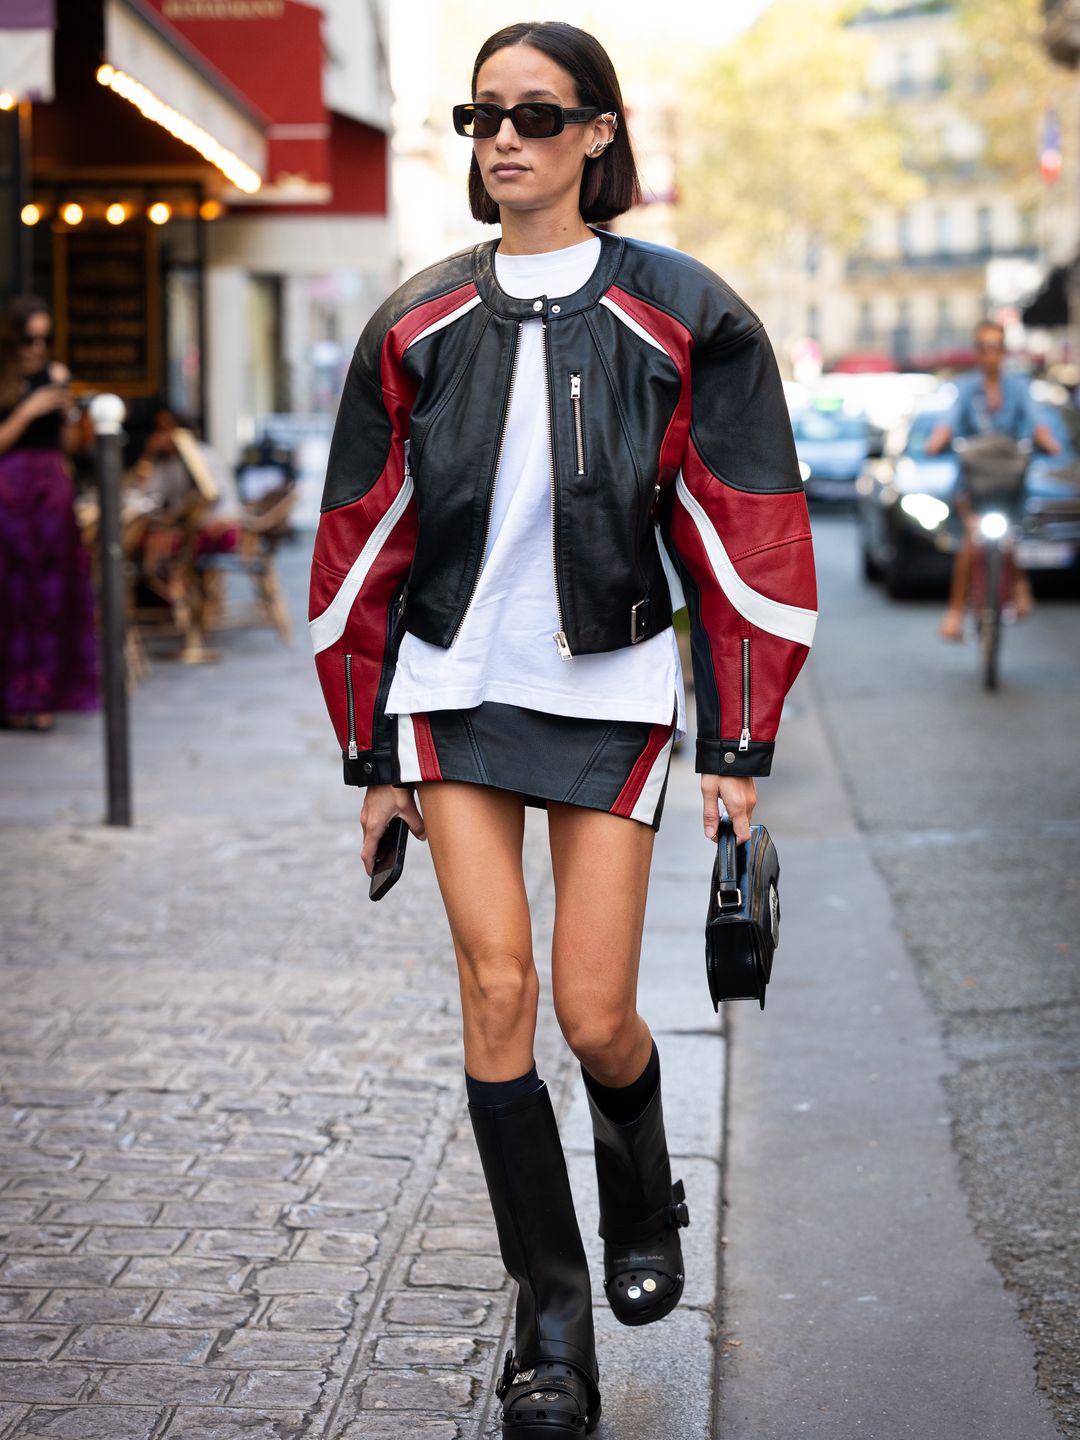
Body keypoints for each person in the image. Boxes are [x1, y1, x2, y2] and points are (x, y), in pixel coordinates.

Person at [309, 22, 817, 1437]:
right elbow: (362, 542)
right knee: (495, 994)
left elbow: (748, 535)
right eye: (481, 116)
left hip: (610, 694)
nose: (504, 139)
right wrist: (369, 751)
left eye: (536, 114)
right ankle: (550, 1321)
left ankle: (642, 1193)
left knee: (596, 1016)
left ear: (599, 130)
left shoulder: (684, 312)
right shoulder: (414, 322)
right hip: (451, 692)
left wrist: (739, 740)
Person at [926, 319, 1060, 640]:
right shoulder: (965, 389)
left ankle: (1019, 582)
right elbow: (948, 424)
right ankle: (955, 613)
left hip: (1008, 480)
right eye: (984, 347)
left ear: (1003, 351)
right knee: (969, 542)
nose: (991, 354)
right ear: (977, 352)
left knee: (1010, 536)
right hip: (972, 482)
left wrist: (1047, 441)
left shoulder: (1018, 388)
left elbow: (1036, 422)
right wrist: (937, 440)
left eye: (996, 347)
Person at [0, 296, 97, 730]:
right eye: (28, 339)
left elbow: (71, 447)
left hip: (50, 494)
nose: (36, 347)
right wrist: (28, 410)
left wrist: (75, 416)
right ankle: (13, 697)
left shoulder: (54, 375)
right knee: (12, 596)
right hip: (9, 492)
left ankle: (46, 695)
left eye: (44, 338)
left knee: (53, 595)